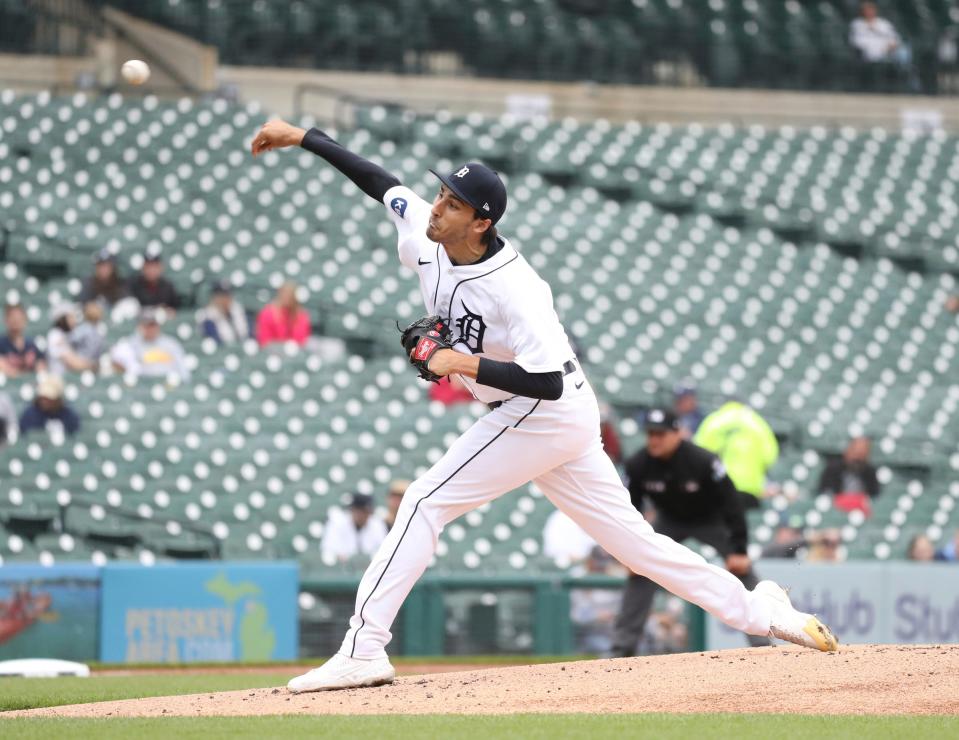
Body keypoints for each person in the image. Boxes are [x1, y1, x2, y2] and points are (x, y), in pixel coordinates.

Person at [251, 119, 837, 695]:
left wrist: (459, 364)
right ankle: (764, 612)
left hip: (542, 409)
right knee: (635, 544)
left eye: (452, 204)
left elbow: (547, 382)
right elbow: (380, 182)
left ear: (482, 221)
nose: (435, 208)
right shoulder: (428, 242)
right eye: (439, 195)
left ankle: (363, 648)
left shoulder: (517, 287)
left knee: (425, 500)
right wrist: (302, 137)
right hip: (551, 417)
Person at [612, 408, 771, 657]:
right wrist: (631, 553)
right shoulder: (638, 464)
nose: (654, 439)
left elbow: (732, 503)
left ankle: (763, 643)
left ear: (677, 434)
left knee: (742, 568)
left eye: (661, 434)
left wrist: (739, 549)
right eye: (650, 434)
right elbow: (631, 509)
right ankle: (622, 648)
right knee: (639, 569)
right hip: (670, 520)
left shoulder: (703, 461)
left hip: (710, 518)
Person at [694, 399, 779, 511]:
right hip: (750, 489)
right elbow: (770, 456)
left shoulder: (714, 421)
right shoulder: (757, 422)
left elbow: (697, 454)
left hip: (719, 486)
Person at [849, 2, 917, 90]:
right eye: (867, 10)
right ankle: (907, 79)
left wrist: (892, 45)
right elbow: (856, 42)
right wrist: (878, 47)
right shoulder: (857, 24)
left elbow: (895, 38)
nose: (869, 12)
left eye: (871, 10)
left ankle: (909, 79)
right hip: (870, 53)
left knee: (904, 50)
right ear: (863, 12)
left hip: (889, 51)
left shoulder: (883, 23)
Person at [110, 309, 190, 382]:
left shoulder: (170, 344)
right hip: (142, 386)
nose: (150, 329)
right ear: (140, 327)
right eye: (146, 326)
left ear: (158, 326)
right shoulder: (132, 344)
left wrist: (185, 383)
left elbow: (182, 369)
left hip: (168, 384)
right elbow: (120, 361)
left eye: (152, 325)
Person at [817, 436, 880, 517]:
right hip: (836, 512)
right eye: (855, 453)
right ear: (847, 451)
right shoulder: (832, 469)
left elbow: (874, 498)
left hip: (861, 514)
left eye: (862, 454)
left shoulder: (870, 473)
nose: (857, 458)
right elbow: (826, 494)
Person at [321, 493, 389, 563]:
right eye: (358, 510)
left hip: (369, 567)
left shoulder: (377, 524)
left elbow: (383, 550)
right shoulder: (337, 522)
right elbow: (329, 550)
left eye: (364, 511)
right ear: (352, 510)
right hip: (341, 568)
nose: (360, 514)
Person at [255, 282, 311, 347]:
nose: (287, 297)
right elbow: (264, 341)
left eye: (290, 295)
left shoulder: (302, 315)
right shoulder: (267, 313)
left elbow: (301, 341)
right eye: (285, 293)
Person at [46, 304, 97, 375]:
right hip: (57, 379)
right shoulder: (55, 335)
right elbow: (71, 361)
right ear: (62, 319)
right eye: (71, 317)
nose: (74, 320)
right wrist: (91, 366)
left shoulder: (66, 335)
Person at [197, 280, 251, 345]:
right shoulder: (207, 318)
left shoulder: (238, 311)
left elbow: (250, 336)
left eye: (227, 295)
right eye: (221, 296)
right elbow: (215, 342)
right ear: (214, 297)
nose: (225, 299)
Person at [127, 249, 181, 314]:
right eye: (148, 266)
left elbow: (176, 310)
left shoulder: (168, 287)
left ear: (161, 267)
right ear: (143, 268)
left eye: (154, 266)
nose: (151, 270)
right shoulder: (134, 285)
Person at [0, 303, 46, 377]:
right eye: (13, 317)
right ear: (6, 320)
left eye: (19, 318)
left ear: (25, 320)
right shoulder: (1, 343)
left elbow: (41, 366)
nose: (16, 321)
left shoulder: (32, 345)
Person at [69, 302, 107, 370]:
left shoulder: (84, 328)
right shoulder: (100, 332)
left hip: (80, 363)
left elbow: (71, 341)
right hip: (90, 364)